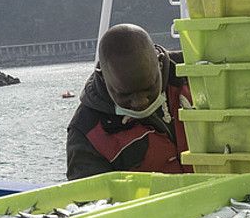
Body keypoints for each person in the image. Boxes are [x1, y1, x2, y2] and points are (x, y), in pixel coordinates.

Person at [66, 23, 192, 179]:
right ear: (103, 77)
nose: (140, 102)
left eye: (148, 88)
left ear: (159, 62)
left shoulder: (195, 73)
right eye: (126, 94)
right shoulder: (86, 132)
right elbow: (90, 199)